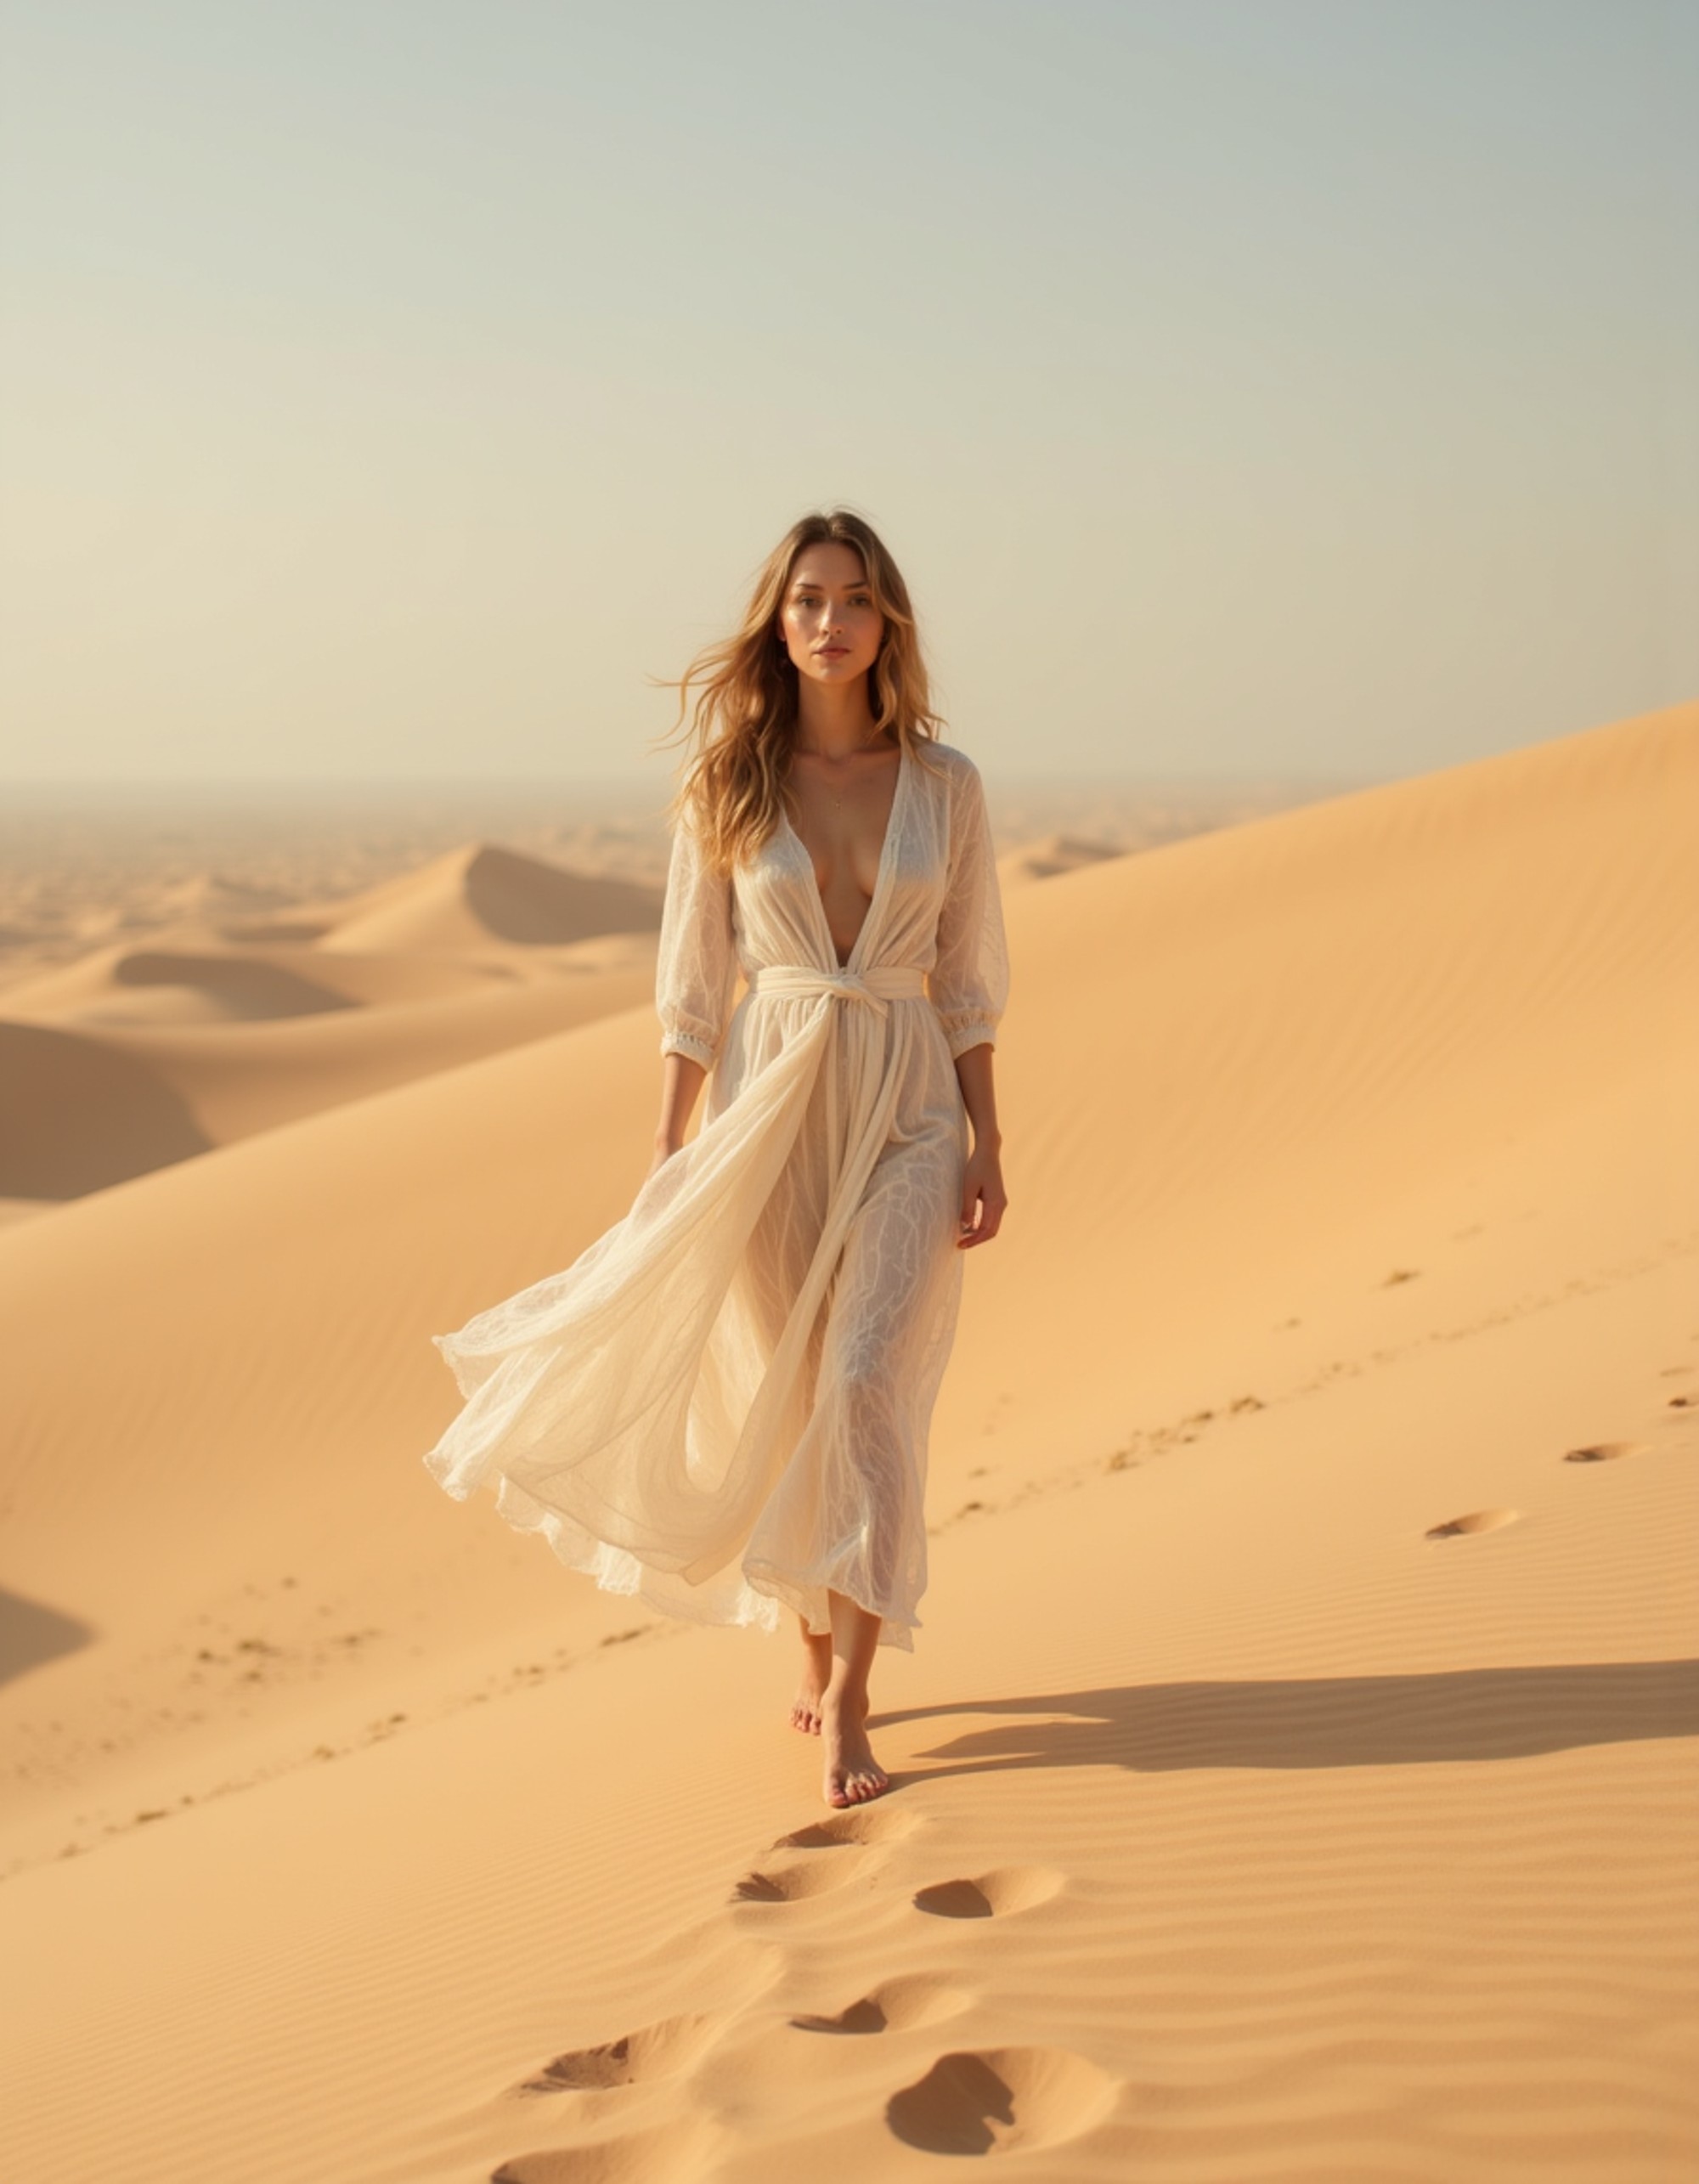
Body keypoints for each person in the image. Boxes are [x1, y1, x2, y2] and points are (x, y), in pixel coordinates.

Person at [424, 508, 1009, 1808]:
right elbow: (694, 983)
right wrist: (671, 1144)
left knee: (865, 1381)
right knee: (791, 1389)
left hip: (909, 1096)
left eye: (854, 600)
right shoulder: (727, 785)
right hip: (772, 1106)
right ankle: (806, 1641)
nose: (829, 621)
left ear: (887, 623)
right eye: (807, 599)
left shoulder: (948, 786)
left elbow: (967, 976)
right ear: (778, 619)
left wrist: (985, 1135)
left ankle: (857, 1695)